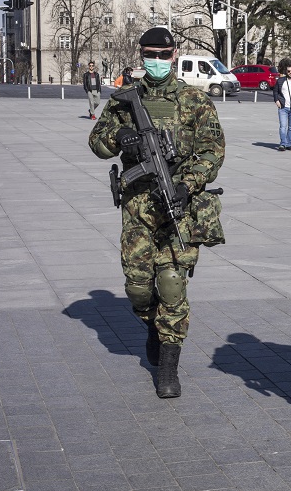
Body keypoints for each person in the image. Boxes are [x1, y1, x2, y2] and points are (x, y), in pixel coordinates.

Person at [88, 26, 226, 398]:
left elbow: (212, 151)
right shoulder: (124, 100)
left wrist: (187, 184)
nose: (157, 61)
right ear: (142, 55)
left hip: (179, 206)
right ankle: (152, 323)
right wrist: (120, 137)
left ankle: (168, 367)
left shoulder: (194, 100)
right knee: (137, 285)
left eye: (163, 55)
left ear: (174, 55)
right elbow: (97, 142)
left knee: (172, 284)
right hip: (137, 208)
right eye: (150, 54)